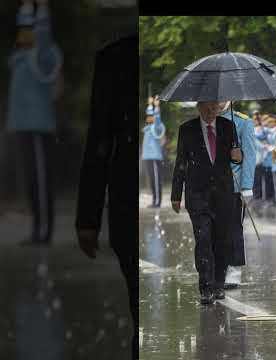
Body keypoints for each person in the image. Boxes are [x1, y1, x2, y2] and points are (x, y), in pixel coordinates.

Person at [75, 33, 139, 359]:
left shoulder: (116, 57)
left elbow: (98, 140)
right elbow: (100, 140)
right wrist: (88, 215)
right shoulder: (116, 58)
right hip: (127, 200)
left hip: (129, 201)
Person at [171, 101, 242, 305]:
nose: (212, 112)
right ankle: (206, 287)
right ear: (200, 107)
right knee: (203, 240)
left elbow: (235, 158)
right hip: (197, 194)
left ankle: (219, 283)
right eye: (208, 108)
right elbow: (181, 162)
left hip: (223, 194)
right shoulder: (187, 129)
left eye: (215, 108)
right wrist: (176, 194)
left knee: (222, 240)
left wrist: (238, 157)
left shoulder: (229, 127)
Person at [6, 0, 63, 246]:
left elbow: (41, 35)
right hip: (22, 125)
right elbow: (26, 32)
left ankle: (43, 232)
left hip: (39, 126)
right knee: (31, 180)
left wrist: (41, 10)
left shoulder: (44, 51)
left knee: (40, 181)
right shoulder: (20, 53)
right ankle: (37, 230)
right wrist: (27, 10)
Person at [217, 102, 257, 289]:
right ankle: (219, 266)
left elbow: (249, 154)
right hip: (212, 185)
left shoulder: (243, 122)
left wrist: (247, 185)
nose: (218, 101)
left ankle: (234, 269)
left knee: (233, 228)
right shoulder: (206, 120)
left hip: (234, 184)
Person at [141, 95, 166, 208]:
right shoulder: (147, 128)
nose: (149, 117)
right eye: (148, 116)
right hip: (147, 157)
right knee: (152, 180)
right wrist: (150, 105)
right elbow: (150, 115)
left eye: (151, 115)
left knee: (156, 180)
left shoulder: (157, 127)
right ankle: (154, 200)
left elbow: (157, 119)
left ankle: (158, 202)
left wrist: (155, 106)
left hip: (155, 157)